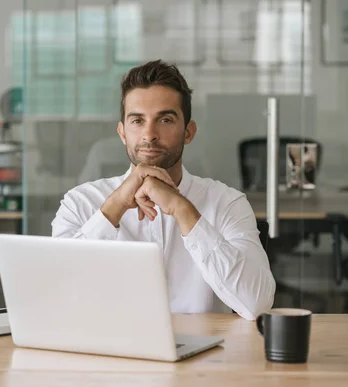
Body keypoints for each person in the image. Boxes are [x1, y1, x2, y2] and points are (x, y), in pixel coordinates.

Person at [51, 60, 275, 320]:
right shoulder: (80, 202)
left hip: (206, 356)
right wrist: (115, 206)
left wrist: (183, 209)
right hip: (109, 354)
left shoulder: (227, 203)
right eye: (137, 120)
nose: (149, 134)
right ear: (122, 132)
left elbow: (257, 304)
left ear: (188, 132)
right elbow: (58, 294)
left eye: (165, 119)